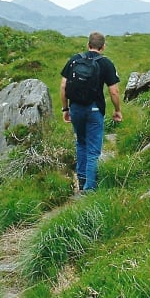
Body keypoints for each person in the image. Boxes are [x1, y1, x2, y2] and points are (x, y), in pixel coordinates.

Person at [60, 32, 123, 192]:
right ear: (103, 47)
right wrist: (117, 110)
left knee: (81, 143)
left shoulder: (74, 60)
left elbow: (63, 86)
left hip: (76, 108)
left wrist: (65, 109)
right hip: (94, 109)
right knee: (93, 150)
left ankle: (82, 181)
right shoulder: (106, 63)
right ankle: (90, 189)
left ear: (88, 45)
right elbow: (114, 91)